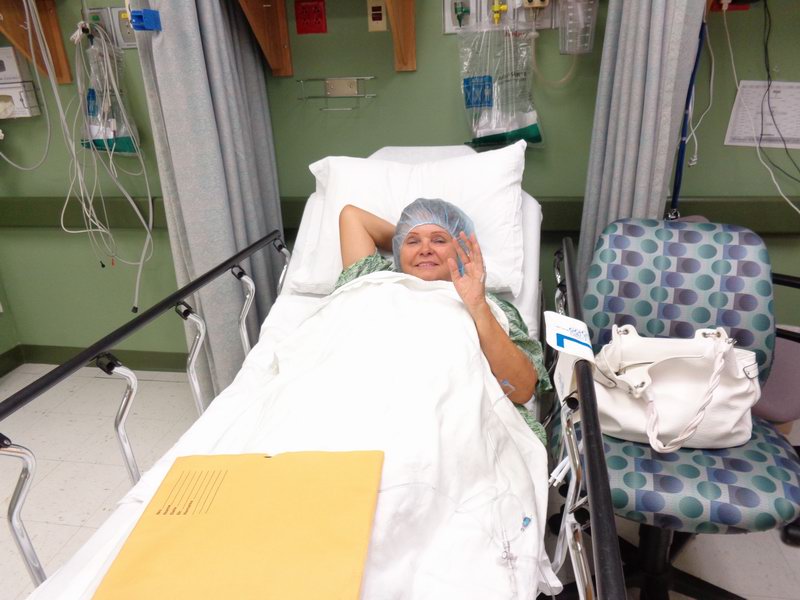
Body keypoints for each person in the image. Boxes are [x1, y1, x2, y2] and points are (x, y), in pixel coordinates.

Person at [337, 198, 551, 439]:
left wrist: (478, 307)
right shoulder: (373, 280)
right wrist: (400, 243)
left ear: (462, 249)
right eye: (413, 241)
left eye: (439, 240)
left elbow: (521, 390)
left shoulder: (490, 306)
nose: (425, 249)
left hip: (452, 420)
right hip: (369, 401)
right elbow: (352, 216)